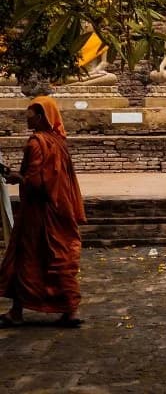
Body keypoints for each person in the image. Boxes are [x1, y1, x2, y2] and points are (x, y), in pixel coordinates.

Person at [0, 96, 86, 328]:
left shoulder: (36, 143)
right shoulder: (59, 142)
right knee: (61, 255)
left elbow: (37, 181)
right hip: (61, 208)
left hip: (39, 211)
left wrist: (17, 178)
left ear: (41, 117)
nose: (27, 119)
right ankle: (70, 310)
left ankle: (17, 312)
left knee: (25, 256)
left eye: (30, 115)